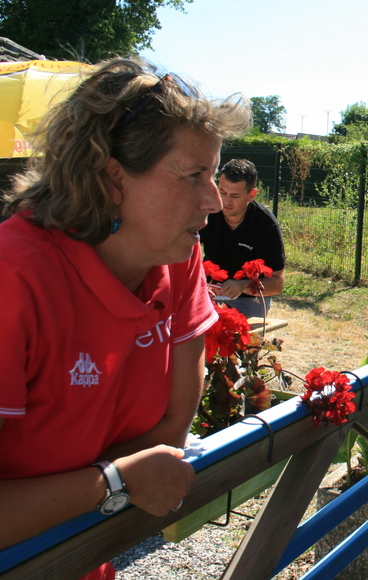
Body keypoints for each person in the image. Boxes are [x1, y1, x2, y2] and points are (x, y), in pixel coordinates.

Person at [0, 58, 249, 579]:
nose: (213, 200)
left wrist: (89, 489)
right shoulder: (14, 279)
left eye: (214, 174)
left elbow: (173, 428)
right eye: (194, 175)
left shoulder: (176, 259)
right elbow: (141, 469)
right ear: (112, 178)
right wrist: (113, 482)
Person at [199, 158, 285, 319]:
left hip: (249, 298)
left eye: (235, 195)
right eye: (222, 192)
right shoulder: (207, 212)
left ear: (251, 195)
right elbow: (183, 253)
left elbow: (277, 283)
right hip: (209, 292)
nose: (226, 201)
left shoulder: (266, 225)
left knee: (242, 334)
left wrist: (243, 286)